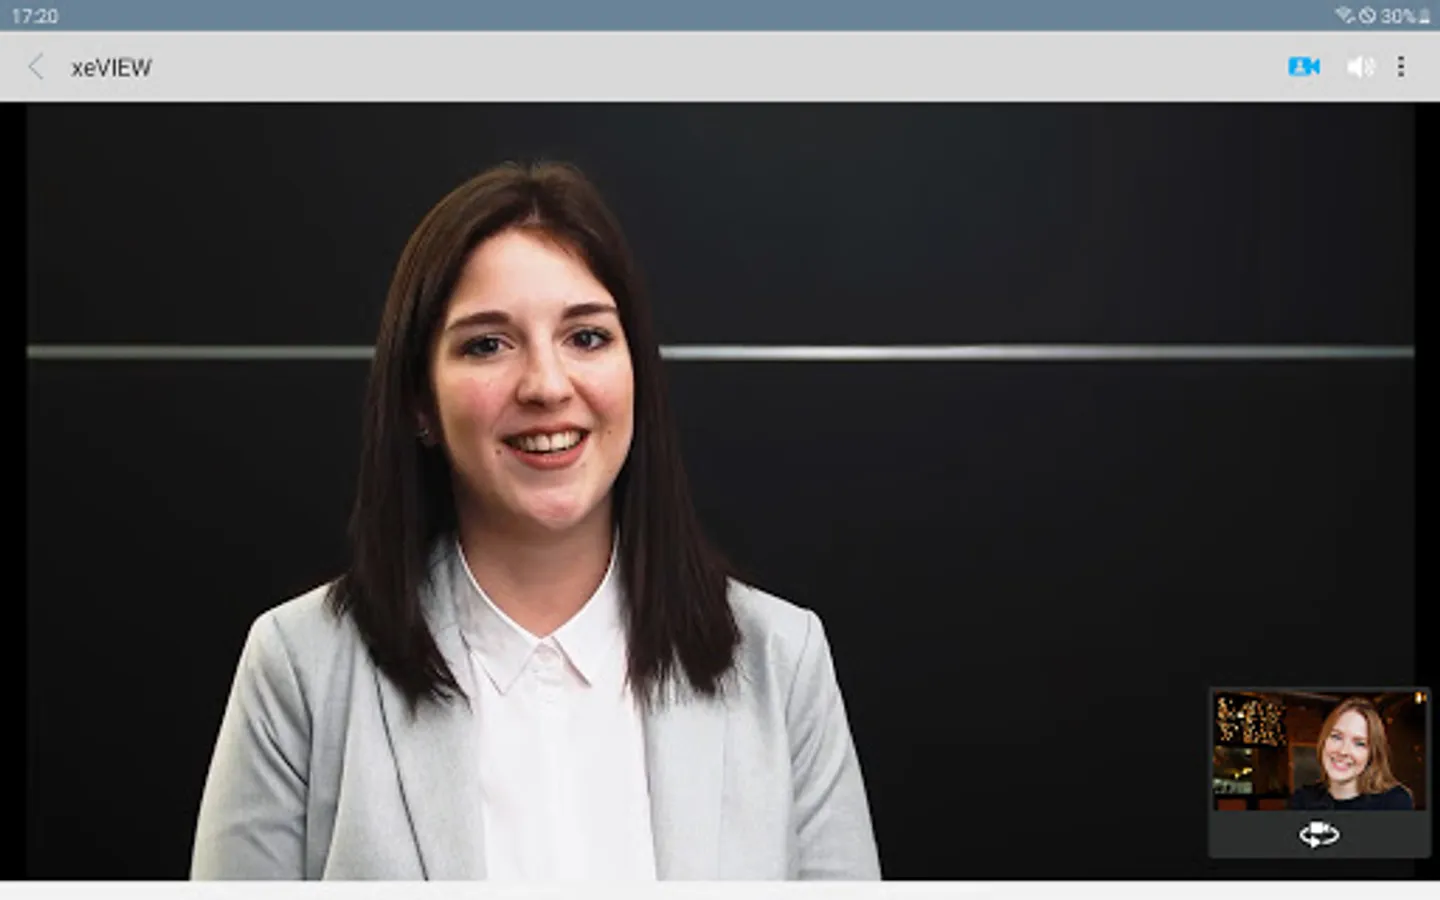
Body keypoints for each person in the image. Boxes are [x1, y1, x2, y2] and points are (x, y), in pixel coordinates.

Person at [190, 161, 881, 880]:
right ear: (420, 402)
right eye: (487, 343)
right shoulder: (300, 668)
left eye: (587, 337)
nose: (547, 386)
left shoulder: (781, 661)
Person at [1289, 697, 1414, 810]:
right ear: (1324, 740)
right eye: (1336, 737)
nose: (1343, 751)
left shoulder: (1394, 802)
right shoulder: (1302, 800)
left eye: (1359, 743)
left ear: (1372, 754)